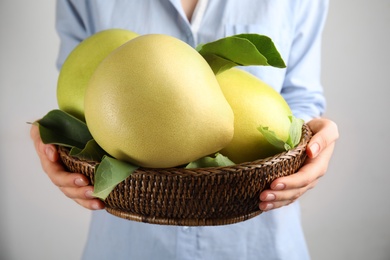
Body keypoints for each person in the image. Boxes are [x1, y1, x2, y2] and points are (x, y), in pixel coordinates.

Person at [30, 0, 339, 259]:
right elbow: (73, 103)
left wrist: (310, 141)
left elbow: (302, 97)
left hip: (258, 240)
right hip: (130, 243)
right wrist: (54, 142)